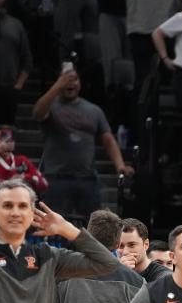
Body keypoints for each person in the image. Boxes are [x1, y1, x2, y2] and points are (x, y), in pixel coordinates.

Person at [33, 68, 134, 224]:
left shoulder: (94, 110)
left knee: (93, 226)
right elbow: (38, 113)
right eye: (66, 79)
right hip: (56, 177)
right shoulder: (51, 105)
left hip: (87, 178)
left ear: (80, 84)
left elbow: (108, 140)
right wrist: (57, 86)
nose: (70, 83)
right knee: (53, 225)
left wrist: (120, 165)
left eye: (74, 79)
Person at [0, 124, 48, 200]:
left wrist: (24, 177)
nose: (6, 141)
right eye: (1, 138)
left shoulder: (22, 161)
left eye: (10, 138)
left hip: (19, 205)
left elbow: (44, 184)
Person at [118, 218, 172, 283]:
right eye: (120, 246)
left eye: (132, 245)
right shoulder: (112, 274)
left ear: (146, 245)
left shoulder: (165, 276)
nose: (125, 252)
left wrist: (126, 275)